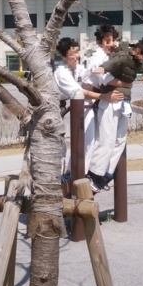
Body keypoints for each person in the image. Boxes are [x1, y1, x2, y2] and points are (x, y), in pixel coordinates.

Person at [86, 37, 143, 191]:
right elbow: (113, 63)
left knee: (120, 140)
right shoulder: (123, 54)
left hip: (124, 102)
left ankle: (106, 174)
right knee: (107, 138)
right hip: (111, 100)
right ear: (139, 50)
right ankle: (94, 173)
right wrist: (103, 69)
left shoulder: (137, 61)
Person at [54, 38, 123, 181]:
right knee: (63, 147)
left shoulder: (79, 67)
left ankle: (78, 172)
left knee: (88, 139)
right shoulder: (61, 71)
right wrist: (104, 96)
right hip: (54, 109)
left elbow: (91, 78)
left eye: (77, 52)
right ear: (63, 57)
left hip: (78, 105)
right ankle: (71, 175)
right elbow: (79, 92)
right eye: (72, 53)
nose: (76, 56)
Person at [82, 25, 121, 155]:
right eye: (108, 41)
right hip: (87, 101)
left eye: (114, 40)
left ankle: (80, 172)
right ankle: (72, 173)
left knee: (94, 140)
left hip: (95, 100)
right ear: (99, 42)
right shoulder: (98, 57)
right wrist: (127, 84)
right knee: (88, 141)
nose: (112, 44)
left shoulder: (107, 56)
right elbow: (107, 80)